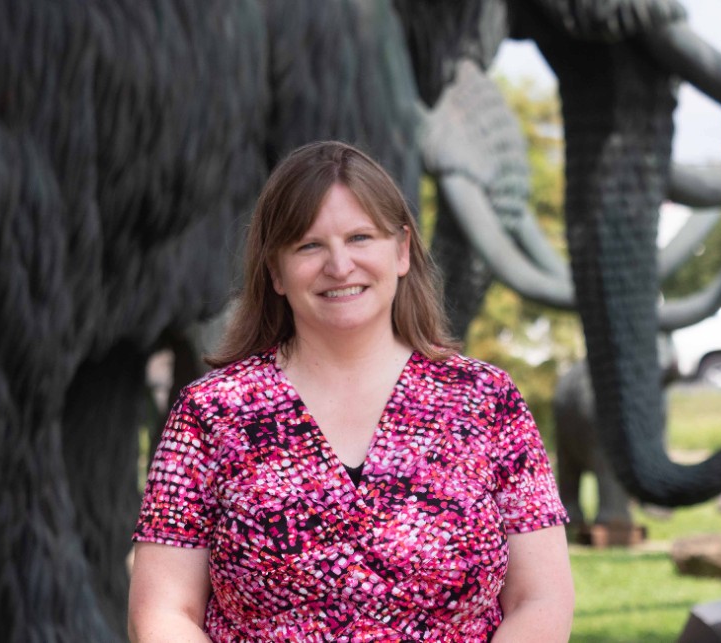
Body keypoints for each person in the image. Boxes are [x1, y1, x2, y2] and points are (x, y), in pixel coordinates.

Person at [129, 141, 574, 642]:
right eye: (309, 245)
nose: (339, 266)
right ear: (275, 271)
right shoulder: (211, 414)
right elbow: (163, 612)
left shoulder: (487, 400)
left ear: (402, 250)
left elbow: (542, 598)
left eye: (360, 237)